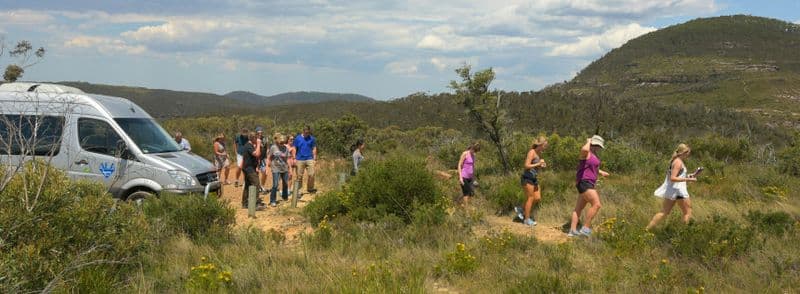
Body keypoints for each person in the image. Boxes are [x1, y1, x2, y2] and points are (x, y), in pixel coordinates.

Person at [646, 144, 698, 230]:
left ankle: (647, 229)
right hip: (679, 191)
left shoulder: (676, 161)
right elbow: (673, 178)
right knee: (688, 212)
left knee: (664, 212)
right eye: (688, 152)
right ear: (684, 152)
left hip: (673, 191)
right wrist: (688, 180)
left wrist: (691, 175)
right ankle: (682, 233)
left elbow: (678, 175)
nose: (689, 155)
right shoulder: (678, 162)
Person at [567, 135, 610, 237]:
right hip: (584, 182)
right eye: (598, 146)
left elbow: (592, 167)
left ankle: (572, 230)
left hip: (588, 183)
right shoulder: (586, 153)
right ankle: (585, 229)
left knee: (578, 208)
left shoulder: (594, 154)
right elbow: (583, 149)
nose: (600, 148)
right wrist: (588, 141)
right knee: (597, 204)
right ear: (594, 145)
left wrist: (601, 172)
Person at [514, 136, 548, 226]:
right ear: (540, 145)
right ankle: (527, 219)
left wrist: (541, 166)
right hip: (527, 178)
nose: (545, 147)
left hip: (534, 178)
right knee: (530, 198)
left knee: (537, 198)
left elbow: (536, 167)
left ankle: (521, 209)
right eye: (545, 146)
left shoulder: (539, 153)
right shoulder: (532, 152)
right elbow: (526, 165)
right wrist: (538, 163)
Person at [241, 131, 265, 210]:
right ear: (253, 138)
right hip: (249, 168)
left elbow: (257, 157)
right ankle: (255, 203)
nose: (258, 139)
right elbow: (257, 154)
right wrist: (258, 144)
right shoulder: (248, 146)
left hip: (249, 168)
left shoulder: (250, 145)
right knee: (256, 184)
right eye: (256, 138)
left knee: (248, 185)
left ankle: (245, 203)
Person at [267, 133, 290, 206]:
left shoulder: (286, 148)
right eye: (281, 142)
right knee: (275, 184)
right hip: (275, 167)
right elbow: (269, 157)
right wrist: (268, 167)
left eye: (283, 142)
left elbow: (288, 159)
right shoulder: (273, 147)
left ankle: (285, 197)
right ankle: (272, 200)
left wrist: (290, 169)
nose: (282, 143)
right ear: (277, 141)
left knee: (285, 183)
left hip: (284, 167)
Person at [293, 125, 317, 194]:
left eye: (308, 132)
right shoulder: (298, 138)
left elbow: (314, 148)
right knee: (299, 176)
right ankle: (299, 190)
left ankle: (310, 188)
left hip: (309, 158)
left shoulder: (312, 138)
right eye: (306, 132)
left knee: (312, 174)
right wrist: (294, 158)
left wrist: (315, 158)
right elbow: (295, 148)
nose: (307, 134)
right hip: (300, 159)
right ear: (303, 131)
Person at [256, 127, 269, 193]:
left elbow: (267, 148)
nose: (260, 134)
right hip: (256, 159)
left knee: (265, 173)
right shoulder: (254, 139)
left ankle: (262, 185)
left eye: (261, 132)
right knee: (256, 173)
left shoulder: (265, 139)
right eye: (258, 133)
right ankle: (257, 187)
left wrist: (267, 156)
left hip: (263, 158)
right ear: (256, 133)